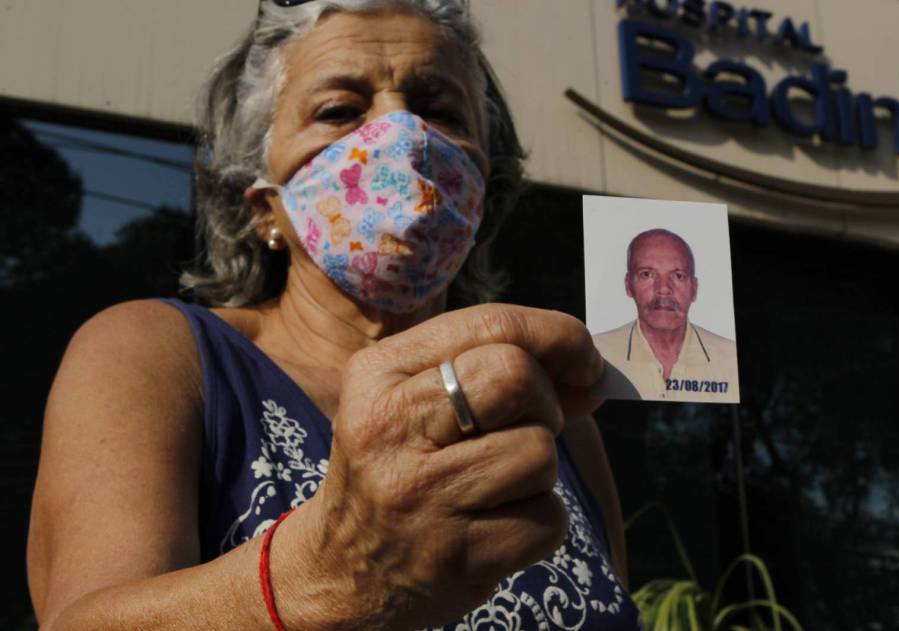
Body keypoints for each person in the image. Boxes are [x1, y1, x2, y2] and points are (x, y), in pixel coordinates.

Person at [26, 1, 642, 629]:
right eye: (340, 112)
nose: (403, 135)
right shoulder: (158, 355)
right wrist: (329, 576)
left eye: (440, 111)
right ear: (266, 209)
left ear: (483, 189)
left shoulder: (548, 416)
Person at [593, 229, 739, 403]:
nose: (663, 288)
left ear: (694, 289)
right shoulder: (597, 352)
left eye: (678, 276)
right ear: (628, 285)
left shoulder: (730, 358)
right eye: (647, 274)